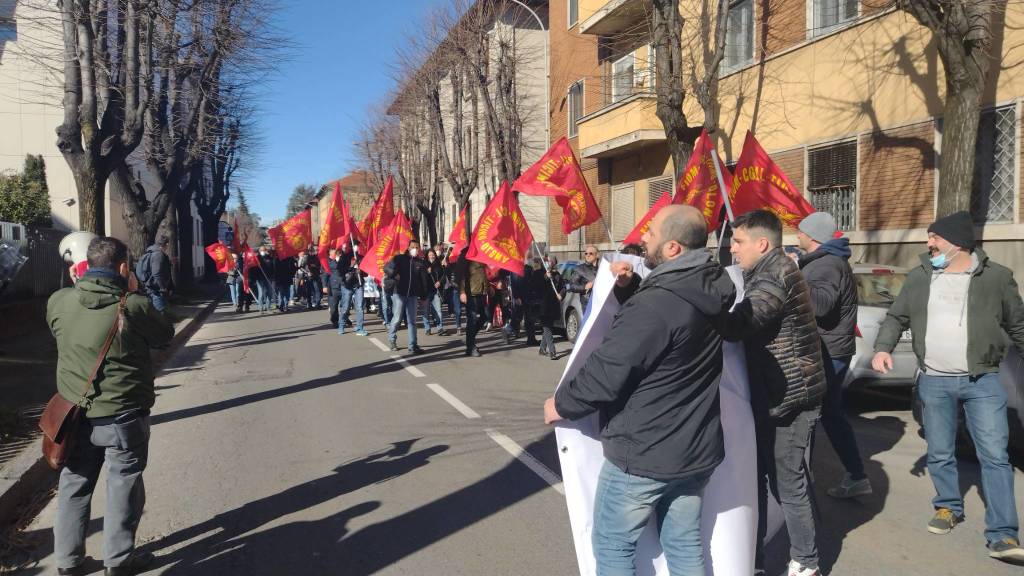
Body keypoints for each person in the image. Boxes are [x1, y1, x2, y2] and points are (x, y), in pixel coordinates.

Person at [544, 205, 735, 576]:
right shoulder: (708, 289)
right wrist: (630, 288)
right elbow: (669, 330)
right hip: (693, 450)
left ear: (673, 249)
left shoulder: (659, 303)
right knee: (684, 545)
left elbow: (609, 370)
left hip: (645, 453)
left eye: (651, 232)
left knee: (612, 546)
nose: (642, 237)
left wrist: (562, 405)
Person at [871, 211, 1024, 563]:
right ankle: (947, 507)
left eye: (934, 238)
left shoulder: (996, 278)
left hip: (983, 380)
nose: (929, 244)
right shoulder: (921, 277)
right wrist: (882, 348)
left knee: (995, 457)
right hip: (935, 381)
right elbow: (897, 316)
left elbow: (1018, 324)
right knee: (940, 451)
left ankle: (1002, 534)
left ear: (956, 243)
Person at [48, 237, 174, 576]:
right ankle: (118, 560)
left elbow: (59, 331)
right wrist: (137, 291)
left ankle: (68, 562)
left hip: (75, 416)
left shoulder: (59, 301)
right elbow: (165, 334)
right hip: (123, 414)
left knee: (74, 483)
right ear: (122, 267)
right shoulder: (132, 305)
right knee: (124, 484)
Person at [720, 209, 826, 576]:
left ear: (761, 244)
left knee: (787, 483)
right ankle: (757, 558)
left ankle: (806, 562)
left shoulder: (775, 274)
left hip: (790, 399)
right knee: (763, 480)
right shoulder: (766, 270)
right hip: (773, 395)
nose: (732, 249)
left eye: (738, 241)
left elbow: (745, 322)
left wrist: (701, 304)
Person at [795, 212, 871, 499]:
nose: (797, 234)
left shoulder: (825, 265)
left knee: (810, 414)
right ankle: (856, 475)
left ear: (812, 236)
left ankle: (803, 477)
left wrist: (791, 282)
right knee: (830, 414)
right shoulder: (824, 262)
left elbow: (821, 306)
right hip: (832, 348)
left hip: (827, 351)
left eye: (801, 230)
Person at [384, 241, 430, 353]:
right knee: (397, 318)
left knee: (412, 321)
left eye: (417, 248)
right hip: (399, 293)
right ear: (408, 248)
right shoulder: (399, 258)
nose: (415, 249)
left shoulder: (420, 263)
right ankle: (392, 340)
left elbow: (423, 281)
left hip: (413, 295)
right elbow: (387, 268)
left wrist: (424, 296)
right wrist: (395, 274)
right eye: (413, 247)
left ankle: (413, 345)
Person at [529, 256, 565, 360]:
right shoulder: (538, 273)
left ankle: (542, 349)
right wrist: (545, 277)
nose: (548, 263)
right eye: (547, 261)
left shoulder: (557, 275)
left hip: (553, 305)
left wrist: (561, 294)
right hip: (542, 306)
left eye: (550, 261)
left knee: (548, 327)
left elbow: (563, 287)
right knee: (547, 328)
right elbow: (534, 287)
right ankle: (552, 351)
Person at [456, 247, 489, 357]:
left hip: (482, 292)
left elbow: (483, 275)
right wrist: (462, 292)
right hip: (471, 293)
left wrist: (489, 288)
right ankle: (470, 347)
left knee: (485, 316)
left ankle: (470, 339)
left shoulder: (480, 254)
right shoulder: (465, 256)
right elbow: (460, 276)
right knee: (473, 319)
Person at [135, 236, 173, 313]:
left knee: (155, 314)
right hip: (156, 290)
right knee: (161, 313)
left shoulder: (150, 252)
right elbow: (157, 273)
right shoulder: (158, 254)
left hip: (150, 287)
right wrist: (163, 287)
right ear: (166, 244)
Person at [338, 241, 369, 336]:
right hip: (347, 285)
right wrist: (351, 266)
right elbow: (340, 271)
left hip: (358, 285)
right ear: (350, 246)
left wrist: (361, 271)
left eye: (357, 246)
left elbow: (366, 273)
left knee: (359, 307)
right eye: (354, 245)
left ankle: (360, 328)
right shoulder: (344, 257)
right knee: (346, 307)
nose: (356, 247)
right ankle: (342, 325)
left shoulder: (361, 257)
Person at [422, 248, 445, 335]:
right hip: (426, 291)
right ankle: (427, 328)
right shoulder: (424, 264)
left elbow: (443, 275)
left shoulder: (439, 264)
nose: (432, 256)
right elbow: (421, 277)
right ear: (427, 256)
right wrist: (426, 272)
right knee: (426, 311)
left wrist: (439, 282)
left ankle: (440, 327)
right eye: (430, 254)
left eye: (433, 254)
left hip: (436, 291)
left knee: (438, 310)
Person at [569, 244, 600, 309]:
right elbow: (572, 286)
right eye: (586, 253)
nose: (588, 255)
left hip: (601, 302)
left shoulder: (602, 268)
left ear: (597, 255)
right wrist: (584, 287)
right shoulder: (579, 269)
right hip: (587, 303)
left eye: (590, 253)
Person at [444, 249, 464, 335]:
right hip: (455, 290)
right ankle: (458, 326)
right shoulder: (450, 266)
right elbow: (444, 274)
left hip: (465, 290)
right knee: (458, 310)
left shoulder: (464, 266)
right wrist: (443, 266)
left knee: (471, 310)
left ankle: (472, 325)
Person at [251, 247, 274, 314]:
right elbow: (254, 270)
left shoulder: (269, 258)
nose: (262, 251)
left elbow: (273, 267)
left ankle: (268, 307)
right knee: (261, 293)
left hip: (268, 278)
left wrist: (272, 275)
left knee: (269, 293)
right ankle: (261, 308)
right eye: (261, 250)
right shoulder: (257, 259)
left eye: (264, 250)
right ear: (259, 251)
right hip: (260, 278)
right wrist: (255, 277)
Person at [325, 247, 341, 328]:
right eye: (335, 253)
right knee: (334, 305)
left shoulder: (342, 261)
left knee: (346, 304)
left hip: (343, 285)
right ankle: (335, 320)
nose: (336, 254)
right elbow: (325, 274)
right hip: (333, 286)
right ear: (331, 253)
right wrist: (324, 286)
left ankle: (345, 317)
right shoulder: (328, 263)